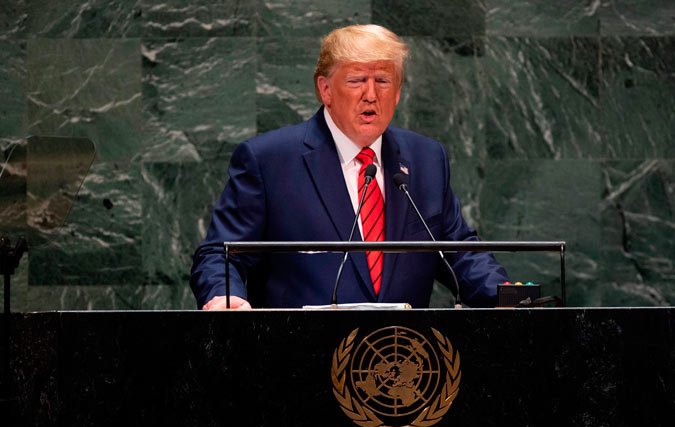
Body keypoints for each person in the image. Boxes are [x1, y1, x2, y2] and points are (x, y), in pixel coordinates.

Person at [190, 24, 508, 310]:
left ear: (397, 92)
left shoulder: (425, 158)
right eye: (357, 80)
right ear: (325, 89)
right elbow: (221, 252)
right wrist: (224, 296)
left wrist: (505, 296)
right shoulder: (269, 160)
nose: (371, 94)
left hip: (399, 358)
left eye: (383, 80)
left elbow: (459, 252)